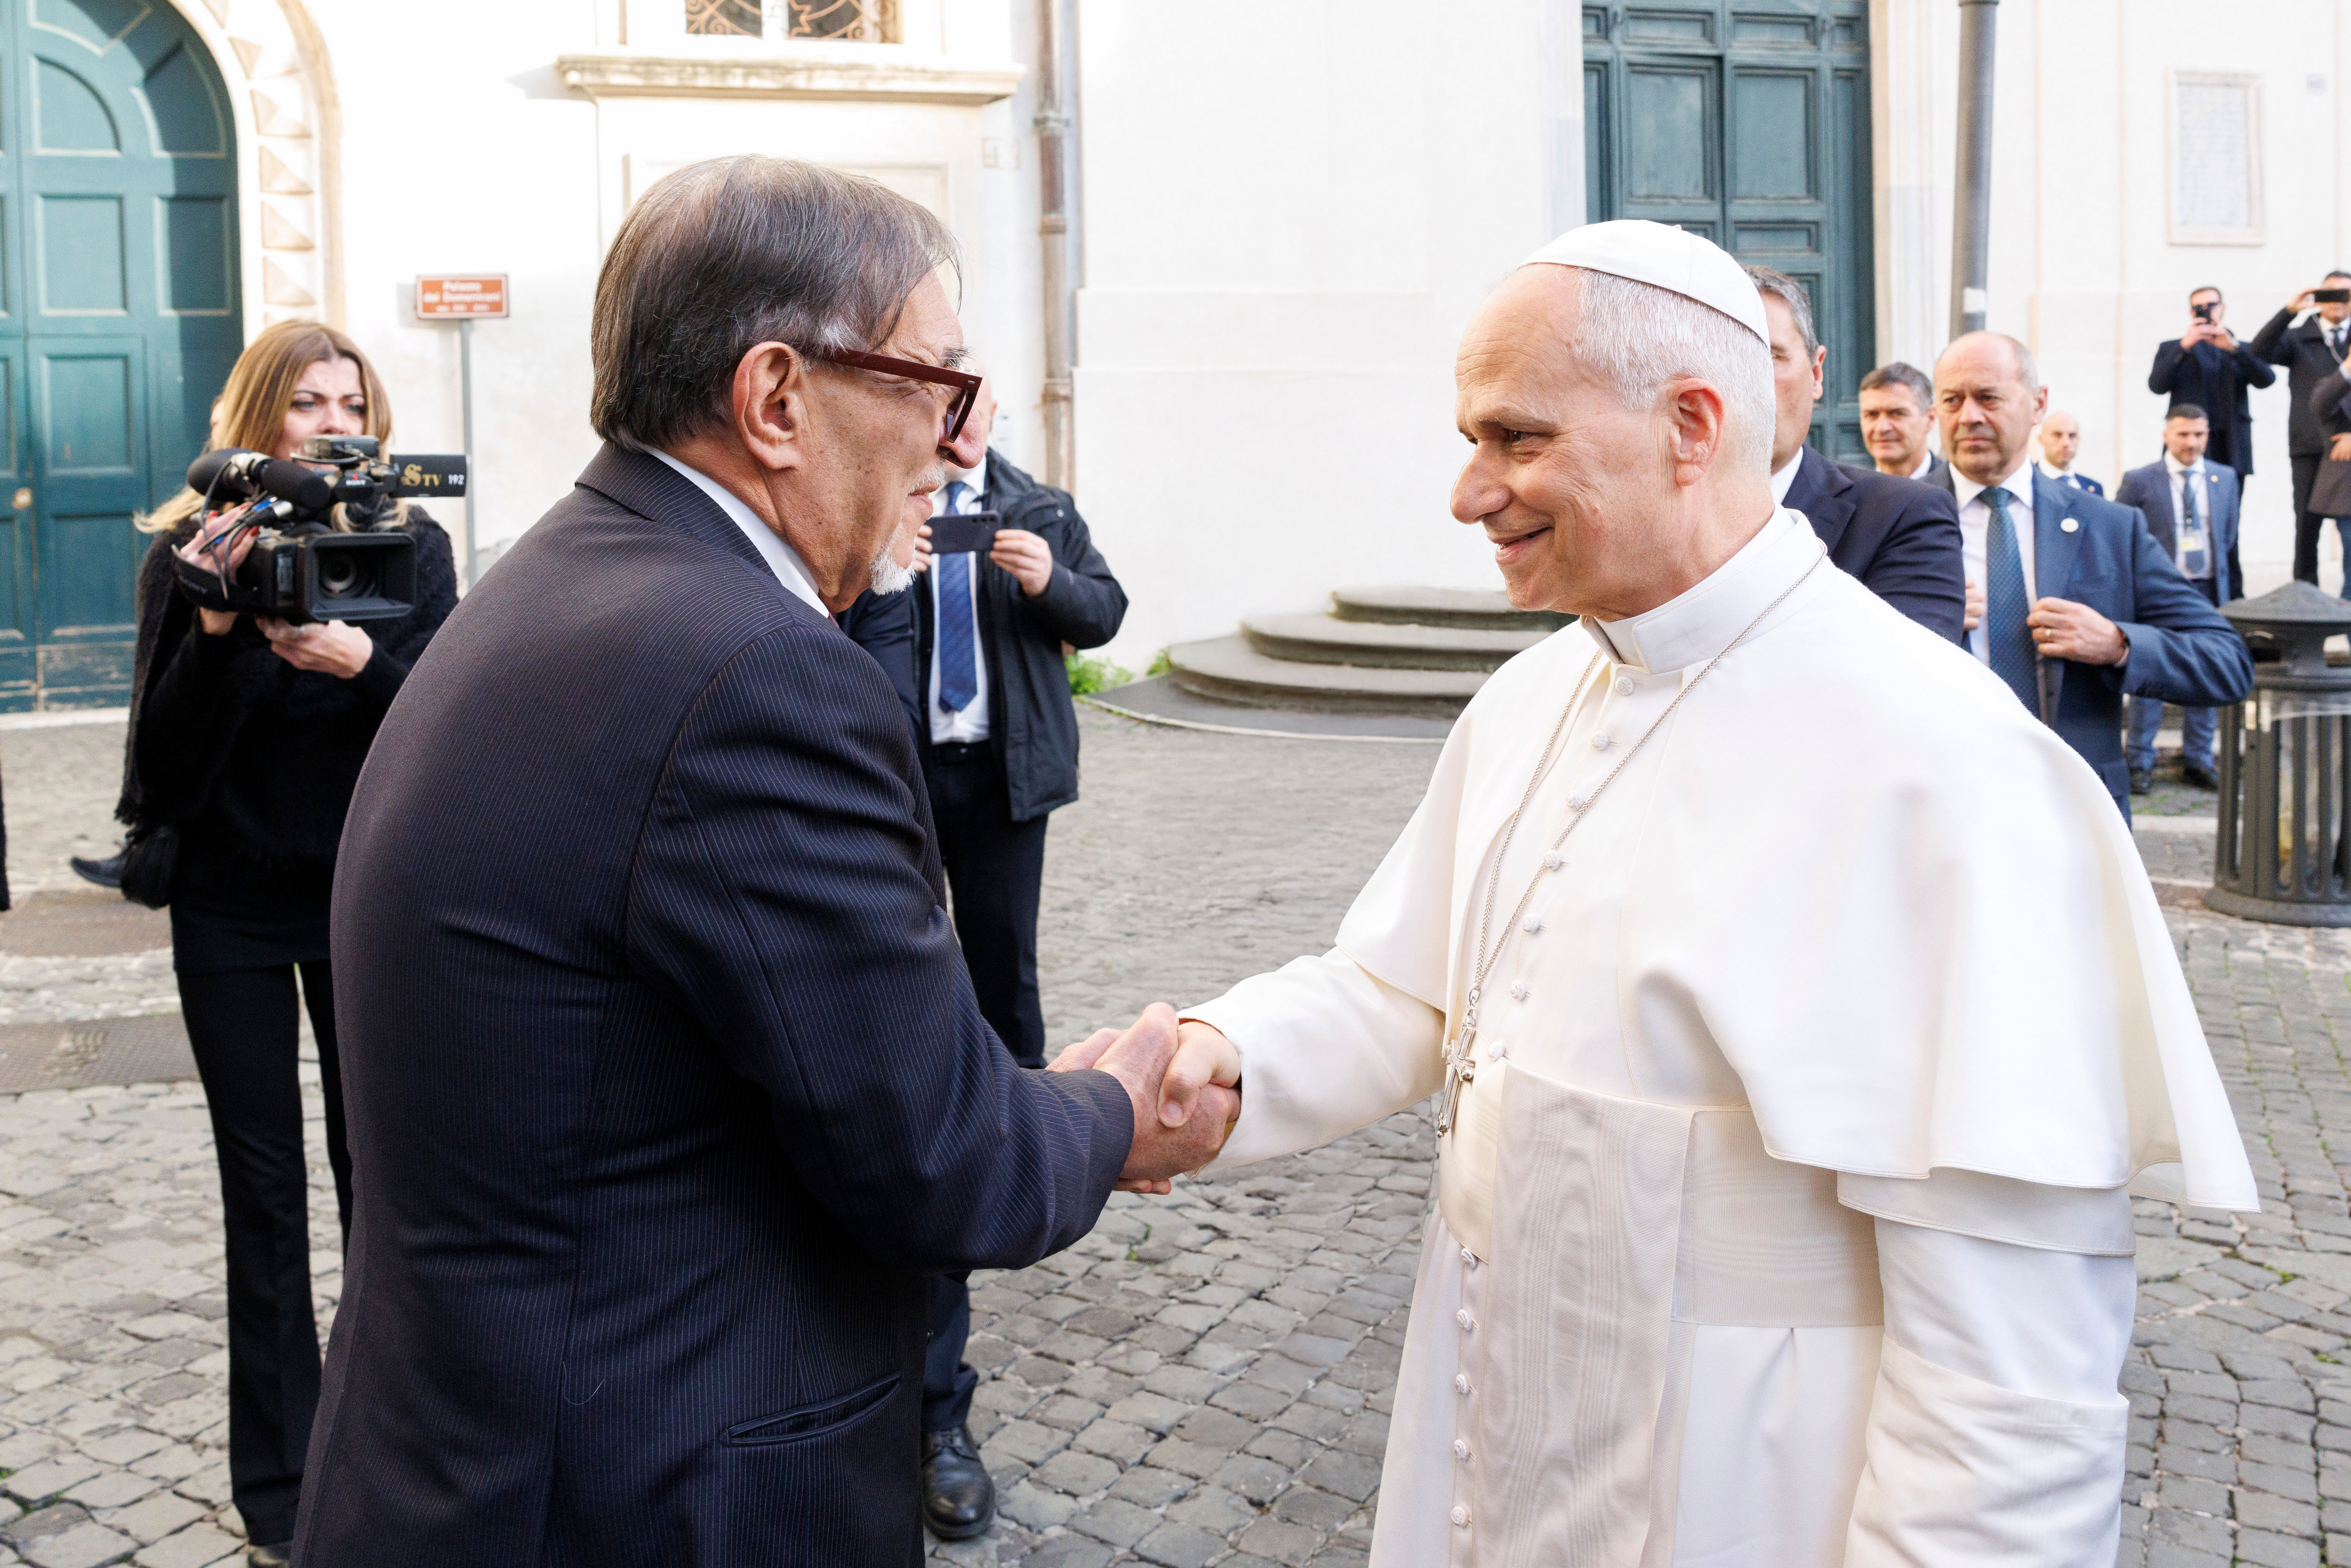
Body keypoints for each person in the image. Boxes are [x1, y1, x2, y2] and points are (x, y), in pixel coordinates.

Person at [1078, 219, 2257, 1565]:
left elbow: (2016, 1379)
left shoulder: (1943, 764)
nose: (1471, 493)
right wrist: (1229, 1060)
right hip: (1494, 1437)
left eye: (1516, 439)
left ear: (1692, 423)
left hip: (1751, 1496)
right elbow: (1408, 984)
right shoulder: (1535, 688)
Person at [291, 157, 1226, 1567]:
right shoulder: (755, 670)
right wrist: (1110, 1109)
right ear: (775, 398)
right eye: (937, 385)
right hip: (645, 1488)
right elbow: (943, 1158)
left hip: (476, 1456)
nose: (955, 442)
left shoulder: (566, 576)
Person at [116, 320, 458, 1568]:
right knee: (261, 1200)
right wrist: (212, 636)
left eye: (348, 397)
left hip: (370, 895)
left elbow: (445, 729)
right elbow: (159, 768)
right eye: (306, 400)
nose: (330, 418)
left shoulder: (410, 546)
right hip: (231, 903)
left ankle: (394, 1447)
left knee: (384, 1175)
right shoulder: (191, 558)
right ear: (259, 422)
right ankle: (277, 1488)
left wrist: (363, 660)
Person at [843, 362, 1128, 1539]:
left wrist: (1050, 578)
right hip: (905, 777)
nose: (956, 433)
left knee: (1002, 968)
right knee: (914, 991)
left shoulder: (1039, 504)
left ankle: (1008, 1118)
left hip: (1003, 775)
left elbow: (1104, 614)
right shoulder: (878, 509)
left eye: (970, 412)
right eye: (939, 414)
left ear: (989, 418)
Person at [1928, 334, 2251, 818]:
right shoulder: (1891, 519)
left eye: (1987, 397)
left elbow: (2226, 663)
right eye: (1951, 400)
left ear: (2038, 404)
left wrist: (2118, 644)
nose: (1968, 416)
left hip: (2074, 816)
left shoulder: (2110, 527)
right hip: (1937, 811)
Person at [1745, 268, 1963, 640]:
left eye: (1768, 355)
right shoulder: (1647, 518)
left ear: (1816, 372)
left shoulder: (1905, 517)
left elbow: (1906, 683)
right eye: (1721, 359)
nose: (1743, 379)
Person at [2115, 407, 2242, 792]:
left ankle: (2199, 759)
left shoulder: (2225, 477)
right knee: (2149, 672)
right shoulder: (2139, 480)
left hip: (2207, 591)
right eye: (2184, 434)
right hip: (2157, 594)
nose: (2192, 443)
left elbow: (2229, 535)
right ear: (2167, 434)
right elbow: (2122, 536)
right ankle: (2139, 760)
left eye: (2199, 435)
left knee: (2203, 674)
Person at [2250, 271, 2351, 583]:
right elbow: (2259, 351)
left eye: (2345, 294)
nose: (2338, 301)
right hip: (2309, 446)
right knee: (2306, 530)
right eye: (2330, 294)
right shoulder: (2298, 337)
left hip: (2347, 450)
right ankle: (2306, 610)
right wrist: (2290, 309)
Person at [2149, 285, 2275, 495]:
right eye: (2199, 307)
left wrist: (2234, 349)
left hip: (2231, 442)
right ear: (2191, 312)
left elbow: (2266, 380)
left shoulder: (2241, 348)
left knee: (2229, 513)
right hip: (2190, 440)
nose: (2205, 310)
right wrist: (2184, 346)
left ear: (2223, 308)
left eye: (2211, 305)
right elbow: (2157, 386)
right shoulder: (2173, 348)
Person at [1856, 361, 1943, 478]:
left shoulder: (1957, 492)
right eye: (1872, 415)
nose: (1882, 428)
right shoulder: (1851, 492)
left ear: (1930, 419)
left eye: (1897, 414)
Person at [2036, 409, 2104, 495]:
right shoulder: (2027, 481)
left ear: (2079, 440)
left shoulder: (2094, 489)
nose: (2066, 443)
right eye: (2057, 435)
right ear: (2041, 439)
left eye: (2072, 436)